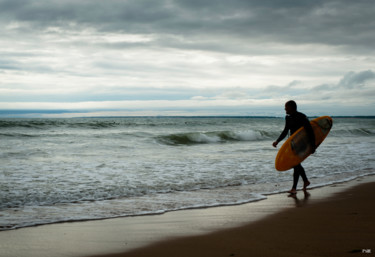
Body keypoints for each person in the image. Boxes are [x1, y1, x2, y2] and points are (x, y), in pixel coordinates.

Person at [272, 100, 316, 194]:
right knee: (296, 164)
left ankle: (294, 188)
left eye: (286, 107)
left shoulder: (302, 117)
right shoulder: (288, 117)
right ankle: (305, 181)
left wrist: (313, 146)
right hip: (292, 144)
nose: (285, 109)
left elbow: (310, 131)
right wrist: (277, 141)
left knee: (295, 164)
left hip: (302, 143)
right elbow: (285, 131)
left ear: (291, 107)